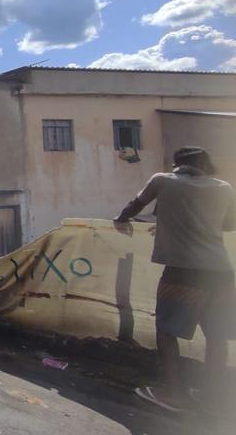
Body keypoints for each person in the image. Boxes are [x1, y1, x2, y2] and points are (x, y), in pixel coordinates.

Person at [113, 146, 235, 413]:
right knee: (217, 335)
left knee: (167, 330)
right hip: (222, 273)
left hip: (184, 272)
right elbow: (230, 224)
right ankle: (214, 397)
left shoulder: (163, 180)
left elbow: (134, 206)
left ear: (177, 165)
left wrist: (120, 219)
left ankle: (174, 394)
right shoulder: (223, 187)